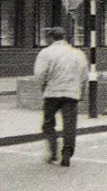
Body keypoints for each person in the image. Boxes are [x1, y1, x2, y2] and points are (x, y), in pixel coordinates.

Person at [33, 26, 89, 166]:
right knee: (70, 124)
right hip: (71, 93)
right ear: (64, 37)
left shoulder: (46, 53)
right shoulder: (78, 53)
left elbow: (40, 74)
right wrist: (81, 91)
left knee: (48, 124)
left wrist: (43, 86)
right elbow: (84, 76)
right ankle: (67, 154)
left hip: (52, 93)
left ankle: (53, 151)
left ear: (51, 38)